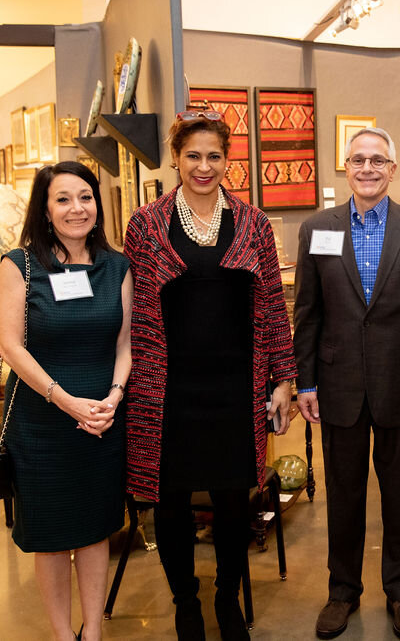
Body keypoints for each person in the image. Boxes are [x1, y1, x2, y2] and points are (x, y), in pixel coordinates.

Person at [124, 111, 297, 641]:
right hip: (166, 389)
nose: (204, 166)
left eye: (214, 156)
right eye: (193, 156)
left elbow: (272, 304)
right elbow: (133, 314)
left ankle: (226, 598)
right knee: (170, 503)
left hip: (235, 387)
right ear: (175, 159)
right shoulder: (145, 224)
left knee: (232, 501)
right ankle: (186, 604)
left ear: (228, 161)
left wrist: (282, 379)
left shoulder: (253, 223)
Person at [294, 127, 400, 640]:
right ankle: (342, 591)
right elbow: (308, 313)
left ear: (392, 168)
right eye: (358, 159)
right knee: (343, 498)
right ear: (346, 167)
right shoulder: (317, 228)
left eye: (377, 160)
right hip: (337, 387)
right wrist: (305, 382)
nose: (367, 168)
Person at [0, 161, 133, 641]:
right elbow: (11, 347)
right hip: (42, 424)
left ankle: (92, 632)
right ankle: (62, 634)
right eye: (63, 199)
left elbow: (125, 344)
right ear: (45, 209)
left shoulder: (117, 266)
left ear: (98, 204)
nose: (77, 208)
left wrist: (114, 396)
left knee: (95, 530)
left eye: (85, 197)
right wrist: (67, 401)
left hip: (102, 421)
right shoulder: (20, 265)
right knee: (51, 538)